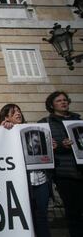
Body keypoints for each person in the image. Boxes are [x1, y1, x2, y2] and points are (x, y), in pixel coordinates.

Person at [0, 103, 51, 237]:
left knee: (42, 216)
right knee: (27, 216)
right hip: (21, 182)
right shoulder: (2, 133)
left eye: (19, 111)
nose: (18, 113)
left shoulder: (33, 130)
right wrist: (2, 132)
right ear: (6, 117)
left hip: (41, 180)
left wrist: (50, 146)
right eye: (13, 112)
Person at [39, 91, 82, 237]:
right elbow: (42, 148)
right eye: (59, 101)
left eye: (65, 100)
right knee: (73, 212)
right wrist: (59, 146)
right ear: (52, 105)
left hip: (81, 169)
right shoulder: (45, 123)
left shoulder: (78, 120)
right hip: (65, 173)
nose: (63, 102)